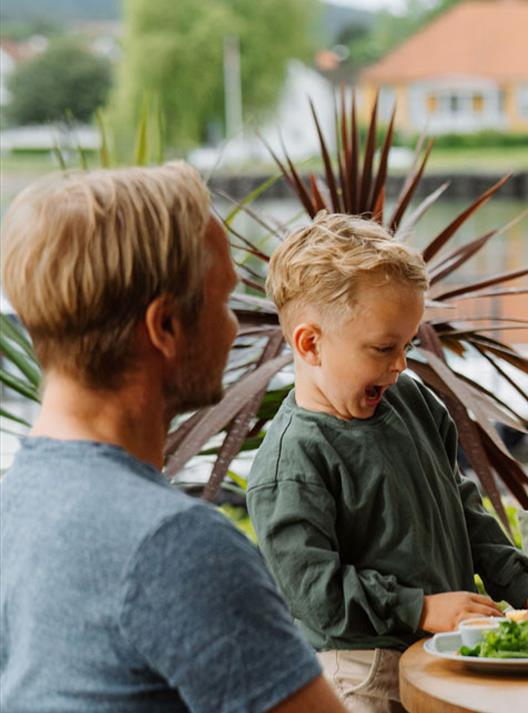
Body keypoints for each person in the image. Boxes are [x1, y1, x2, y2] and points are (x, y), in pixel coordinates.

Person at [0, 164, 345, 711]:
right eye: (224, 300)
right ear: (164, 327)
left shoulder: (15, 505)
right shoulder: (175, 546)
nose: (235, 328)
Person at [246, 212, 528, 713]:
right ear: (310, 344)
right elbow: (315, 593)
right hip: (362, 673)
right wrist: (420, 608)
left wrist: (523, 586)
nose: (401, 363)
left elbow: (463, 507)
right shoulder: (291, 463)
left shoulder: (412, 401)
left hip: (444, 651)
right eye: (383, 348)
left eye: (407, 344)